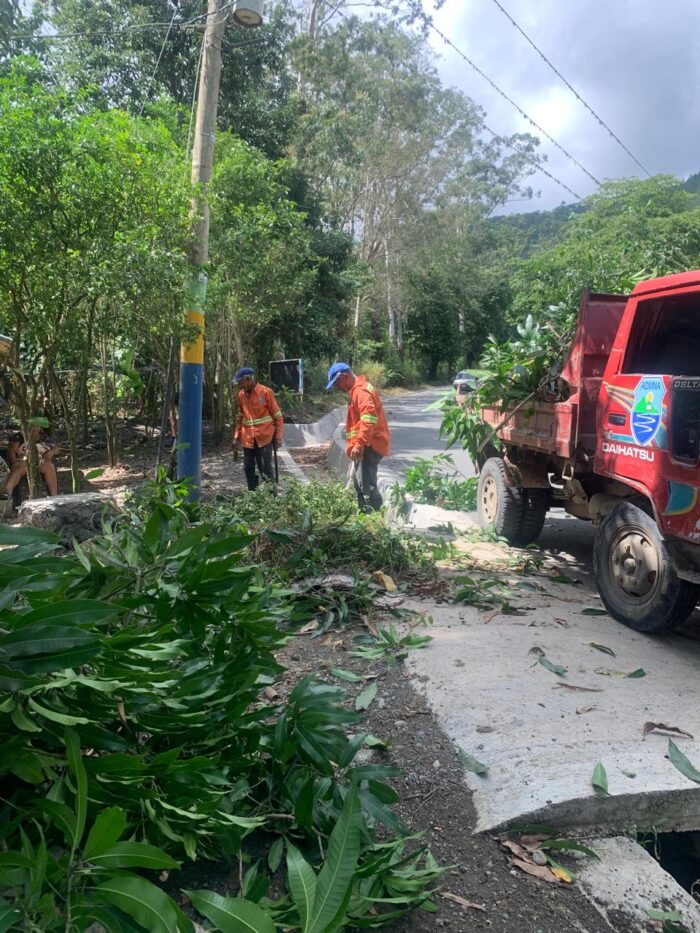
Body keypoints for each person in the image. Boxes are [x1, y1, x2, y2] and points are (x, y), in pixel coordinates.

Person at [326, 362, 390, 512]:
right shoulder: (356, 390)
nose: (337, 387)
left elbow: (368, 419)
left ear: (345, 377)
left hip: (369, 444)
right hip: (365, 444)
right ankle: (365, 516)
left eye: (337, 383)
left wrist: (359, 443)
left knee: (367, 486)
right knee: (360, 483)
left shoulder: (361, 391)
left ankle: (373, 517)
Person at [232, 367, 284, 491]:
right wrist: (236, 436)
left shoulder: (266, 392)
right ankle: (253, 493)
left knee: (265, 469)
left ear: (248, 379)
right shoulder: (241, 395)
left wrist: (278, 437)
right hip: (248, 439)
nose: (240, 385)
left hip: (264, 438)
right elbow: (240, 417)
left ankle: (272, 495)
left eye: (241, 382)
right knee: (248, 467)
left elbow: (278, 416)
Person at [4, 426, 60, 499]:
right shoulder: (19, 437)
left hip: (41, 462)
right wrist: (14, 462)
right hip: (24, 462)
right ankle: (6, 493)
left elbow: (56, 448)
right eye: (32, 426)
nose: (35, 428)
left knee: (50, 467)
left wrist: (51, 452)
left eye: (37, 426)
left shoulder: (44, 437)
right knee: (17, 469)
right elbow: (11, 451)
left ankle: (54, 496)